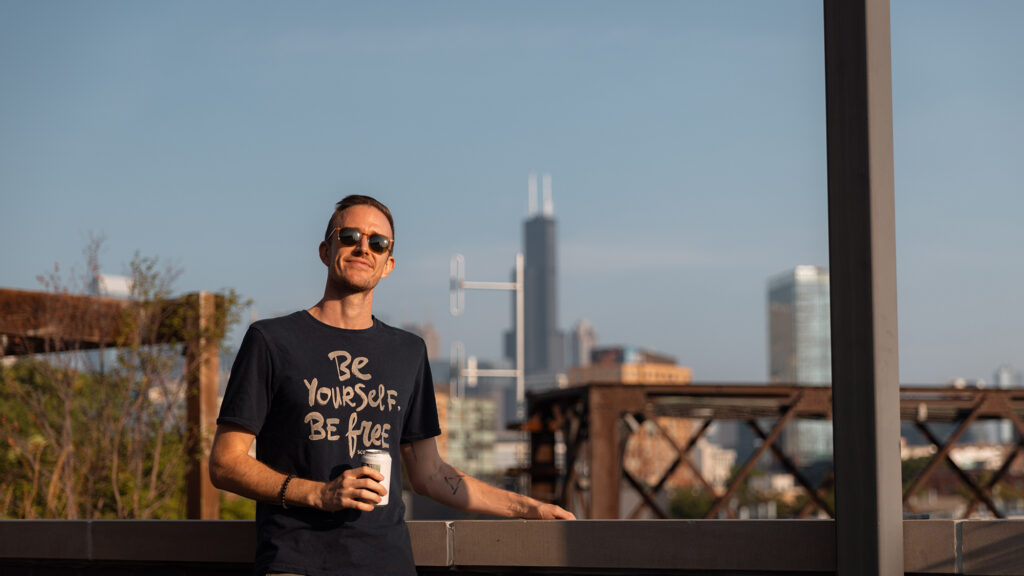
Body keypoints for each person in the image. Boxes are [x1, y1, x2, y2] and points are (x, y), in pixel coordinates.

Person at [209, 195, 574, 576]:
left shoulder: (408, 351)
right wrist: (319, 494)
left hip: (389, 564)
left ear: (389, 264)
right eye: (349, 235)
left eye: (378, 242)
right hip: (297, 562)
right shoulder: (271, 340)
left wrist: (527, 508)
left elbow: (430, 473)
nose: (363, 247)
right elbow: (225, 463)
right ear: (325, 249)